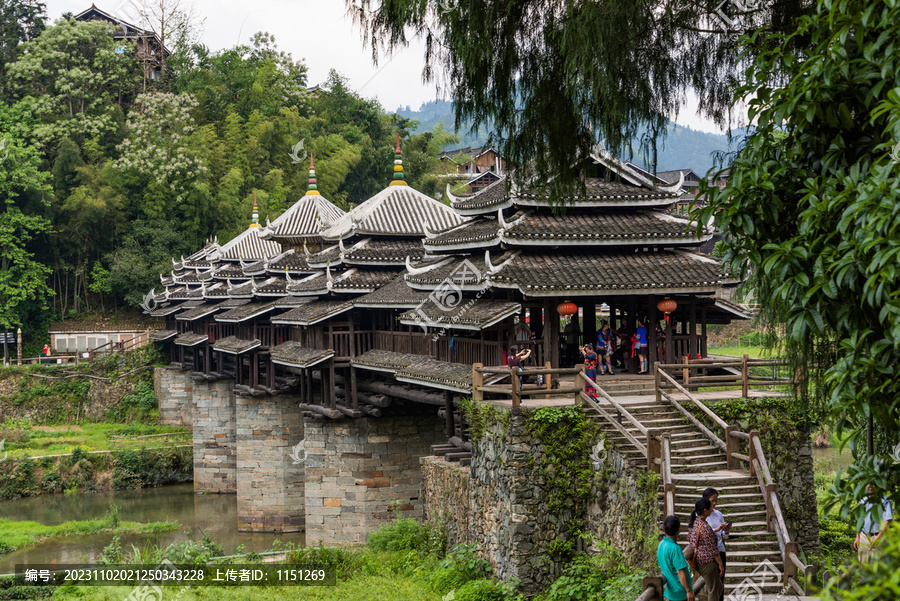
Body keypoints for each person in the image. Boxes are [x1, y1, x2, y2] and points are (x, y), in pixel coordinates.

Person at [688, 497, 723, 601]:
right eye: (710, 508)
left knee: (718, 586)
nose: (712, 510)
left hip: (698, 560)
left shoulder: (695, 522)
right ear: (705, 510)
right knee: (714, 590)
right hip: (706, 562)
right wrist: (720, 564)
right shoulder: (705, 527)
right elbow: (713, 550)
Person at [702, 488, 730, 601]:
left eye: (716, 500)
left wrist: (725, 531)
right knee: (712, 585)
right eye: (712, 500)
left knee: (720, 582)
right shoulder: (700, 515)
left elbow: (722, 534)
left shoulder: (718, 514)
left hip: (720, 549)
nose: (714, 503)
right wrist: (716, 529)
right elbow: (703, 534)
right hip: (709, 553)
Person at [658, 515, 694, 601]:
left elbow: (661, 565)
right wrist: (688, 591)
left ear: (664, 529)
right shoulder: (675, 548)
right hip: (681, 592)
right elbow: (680, 572)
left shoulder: (661, 544)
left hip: (671, 591)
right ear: (679, 529)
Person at [855, 483, 893, 563]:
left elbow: (887, 521)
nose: (870, 487)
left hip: (878, 536)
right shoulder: (862, 502)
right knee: (863, 565)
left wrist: (878, 537)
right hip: (864, 536)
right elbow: (859, 520)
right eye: (868, 485)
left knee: (877, 566)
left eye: (872, 485)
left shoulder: (884, 501)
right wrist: (857, 537)